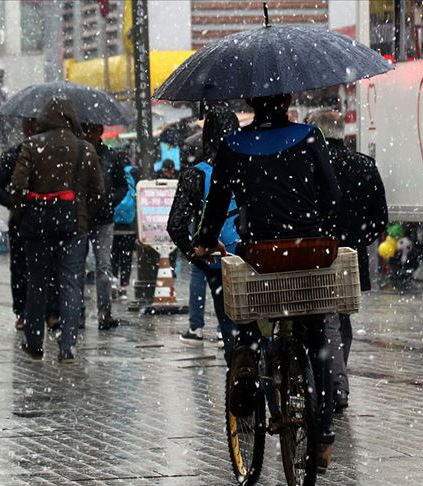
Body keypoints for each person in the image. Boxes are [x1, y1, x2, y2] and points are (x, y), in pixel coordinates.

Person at [193, 93, 341, 471]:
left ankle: (248, 374)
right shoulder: (310, 136)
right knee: (319, 339)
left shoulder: (233, 145)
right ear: (288, 97)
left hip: (261, 255)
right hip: (309, 251)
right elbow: (332, 197)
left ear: (252, 101)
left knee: (249, 323)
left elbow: (217, 203)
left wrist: (205, 240)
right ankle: (322, 436)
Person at [307, 108, 388, 412]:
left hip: (314, 254)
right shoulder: (364, 166)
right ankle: (335, 379)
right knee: (341, 319)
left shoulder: (309, 166)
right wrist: (356, 240)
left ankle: (333, 384)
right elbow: (380, 219)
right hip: (350, 258)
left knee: (321, 318)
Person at [10, 98, 103, 363]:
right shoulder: (84, 148)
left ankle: (35, 342)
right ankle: (68, 346)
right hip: (74, 224)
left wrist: (22, 213)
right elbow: (97, 191)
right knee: (71, 284)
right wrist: (84, 216)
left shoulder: (31, 145)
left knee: (37, 283)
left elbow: (18, 186)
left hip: (37, 225)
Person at [167, 107, 239, 361]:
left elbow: (175, 225)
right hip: (252, 256)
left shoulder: (195, 174)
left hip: (217, 258)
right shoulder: (251, 164)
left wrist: (195, 256)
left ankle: (239, 375)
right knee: (258, 321)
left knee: (228, 320)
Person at [0, 119, 60, 331]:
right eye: (30, 128)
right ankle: (23, 312)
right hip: (23, 219)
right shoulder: (14, 154)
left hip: (49, 218)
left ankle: (52, 311)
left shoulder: (53, 154)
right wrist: (13, 202)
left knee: (51, 266)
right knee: (21, 267)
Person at [80, 123, 129, 330]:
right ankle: (78, 313)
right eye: (86, 130)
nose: (89, 134)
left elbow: (122, 186)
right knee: (77, 267)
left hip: (104, 219)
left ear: (99, 132)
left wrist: (110, 202)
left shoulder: (111, 156)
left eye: (93, 130)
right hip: (81, 219)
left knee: (103, 267)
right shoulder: (78, 155)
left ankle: (104, 313)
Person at [111, 163, 139, 301]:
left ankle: (114, 281)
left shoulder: (114, 174)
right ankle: (124, 288)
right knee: (126, 257)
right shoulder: (134, 174)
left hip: (114, 225)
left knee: (114, 255)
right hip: (129, 227)